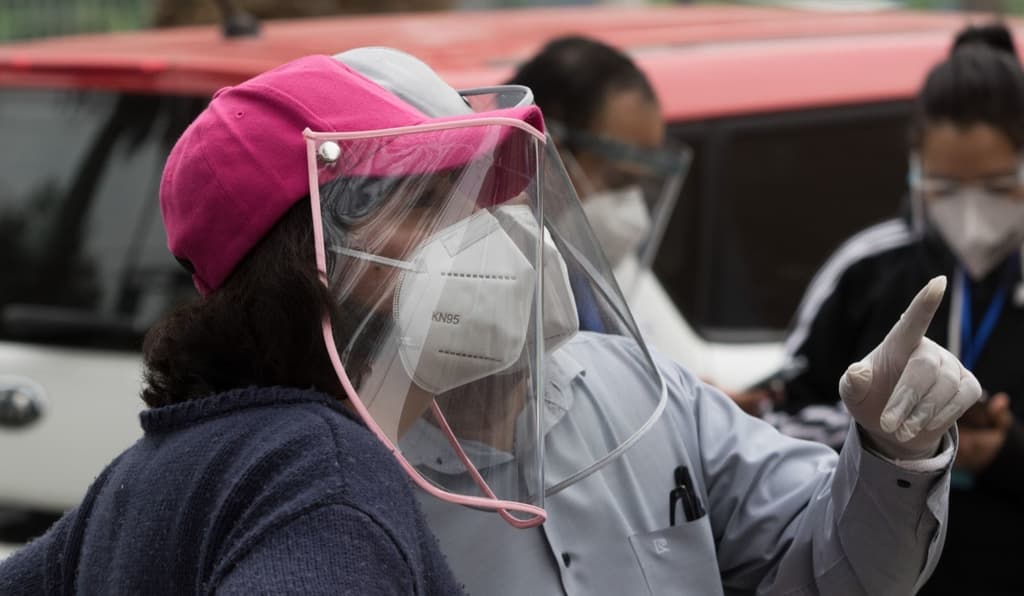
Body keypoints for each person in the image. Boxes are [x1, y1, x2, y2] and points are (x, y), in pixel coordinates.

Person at [349, 46, 982, 595]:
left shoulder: (646, 395)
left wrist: (892, 455)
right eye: (433, 203)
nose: (490, 229)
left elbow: (833, 567)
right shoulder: (336, 480)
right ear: (346, 254)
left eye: (494, 187)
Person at [0, 53, 547, 595]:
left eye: (470, 200)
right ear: (305, 253)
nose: (479, 234)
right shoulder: (326, 475)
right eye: (426, 203)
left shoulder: (153, 472)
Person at [779, 24, 1024, 595]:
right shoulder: (867, 267)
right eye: (944, 186)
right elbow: (783, 418)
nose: (970, 210)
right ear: (915, 170)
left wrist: (1002, 452)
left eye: (995, 187)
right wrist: (890, 438)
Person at [505, 37, 711, 372]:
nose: (633, 209)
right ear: (545, 150)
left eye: (641, 185)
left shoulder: (583, 271)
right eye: (617, 181)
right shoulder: (485, 275)